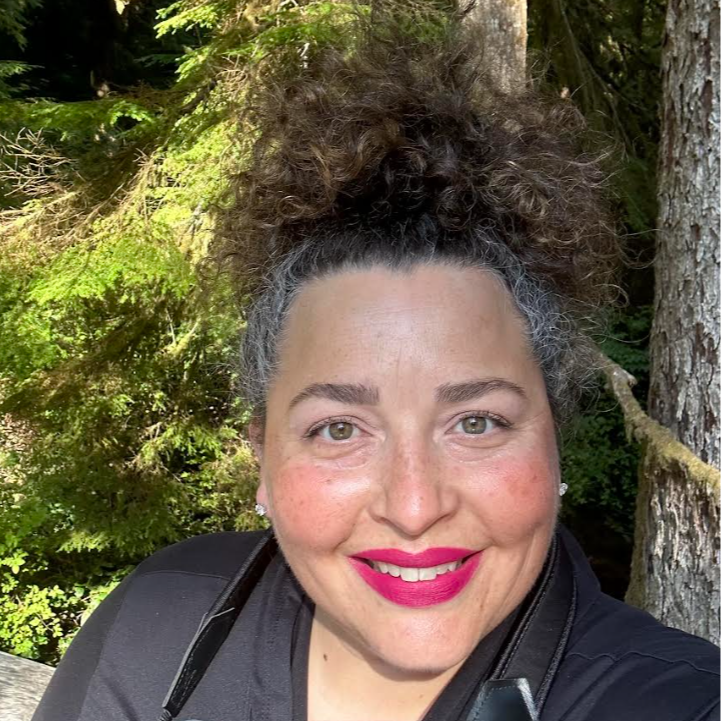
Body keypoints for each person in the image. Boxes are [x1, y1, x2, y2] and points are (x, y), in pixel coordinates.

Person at [32, 6, 721, 721]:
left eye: (476, 422)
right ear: (262, 457)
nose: (414, 507)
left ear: (553, 438)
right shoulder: (159, 629)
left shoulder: (676, 702)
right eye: (338, 428)